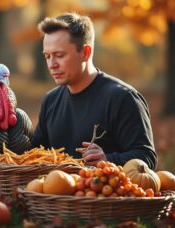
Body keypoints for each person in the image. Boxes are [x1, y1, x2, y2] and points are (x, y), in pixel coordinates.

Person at [31, 12, 157, 170]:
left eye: (59, 55)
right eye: (47, 56)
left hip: (104, 193)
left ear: (85, 53)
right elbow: (33, 154)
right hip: (55, 194)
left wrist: (107, 160)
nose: (51, 64)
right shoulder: (50, 100)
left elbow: (147, 157)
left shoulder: (123, 98)